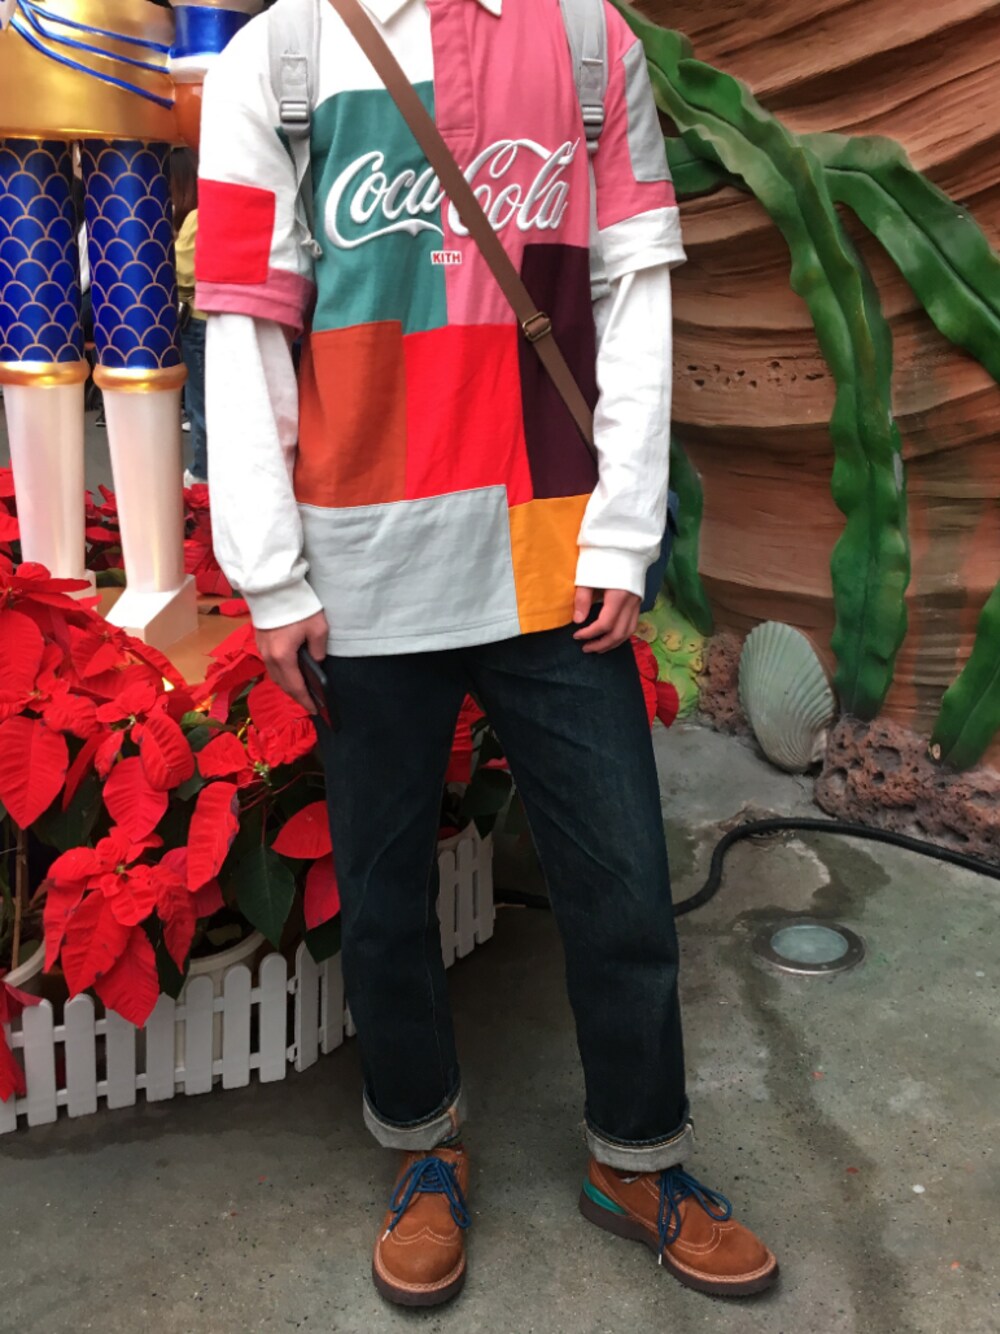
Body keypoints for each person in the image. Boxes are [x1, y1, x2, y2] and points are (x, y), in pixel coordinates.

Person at [196, 0, 778, 1307]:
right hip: (361, 562)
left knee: (622, 881)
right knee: (382, 892)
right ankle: (422, 1147)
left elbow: (633, 288)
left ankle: (637, 1157)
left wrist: (622, 533)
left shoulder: (588, 39)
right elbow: (243, 327)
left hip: (546, 546)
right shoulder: (276, 58)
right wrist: (272, 573)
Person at [171, 147, 208, 485]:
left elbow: (182, 274)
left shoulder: (197, 216)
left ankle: (202, 474)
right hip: (226, 317)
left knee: (201, 403)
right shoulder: (222, 207)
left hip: (198, 319)